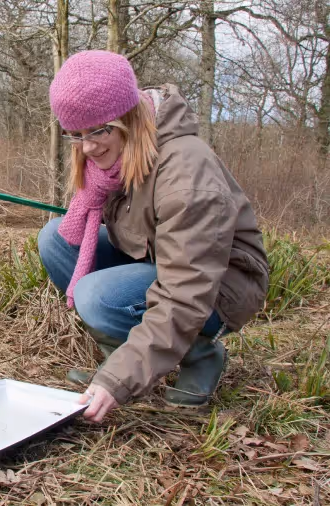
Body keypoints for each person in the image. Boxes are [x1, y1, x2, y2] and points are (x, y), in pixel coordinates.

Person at [38, 50, 269, 422]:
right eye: (76, 135)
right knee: (57, 238)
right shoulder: (113, 160)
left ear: (128, 117)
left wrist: (116, 382)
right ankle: (124, 352)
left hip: (219, 289)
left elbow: (186, 290)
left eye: (99, 130)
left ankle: (200, 354)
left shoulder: (185, 175)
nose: (88, 147)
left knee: (95, 295)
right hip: (158, 261)